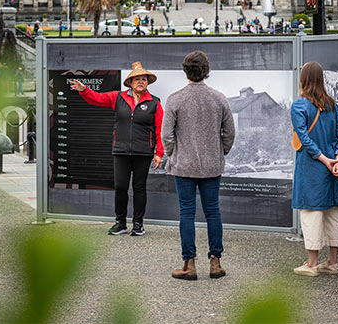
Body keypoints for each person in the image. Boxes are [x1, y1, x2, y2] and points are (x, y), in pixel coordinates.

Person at [162, 51, 235, 281]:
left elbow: (167, 135)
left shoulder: (175, 99)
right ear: (207, 70)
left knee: (187, 212)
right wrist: (220, 151)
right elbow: (229, 133)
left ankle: (189, 264)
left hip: (183, 166)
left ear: (185, 71)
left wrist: (173, 154)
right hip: (212, 166)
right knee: (213, 212)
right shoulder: (219, 98)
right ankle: (215, 262)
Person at [70, 62, 164, 236]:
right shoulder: (117, 97)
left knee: (139, 188)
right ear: (130, 82)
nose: (141, 82)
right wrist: (84, 90)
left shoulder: (155, 103)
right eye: (137, 79)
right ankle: (120, 223)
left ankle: (138, 225)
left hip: (143, 152)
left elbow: (158, 130)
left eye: (144, 79)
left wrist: (159, 153)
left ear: (148, 83)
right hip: (121, 151)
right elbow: (97, 98)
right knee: (120, 187)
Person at [291, 61, 338, 277]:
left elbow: (305, 139)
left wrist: (324, 159)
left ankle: (312, 264)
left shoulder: (299, 106)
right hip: (333, 169)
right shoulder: (332, 105)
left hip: (311, 168)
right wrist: (336, 159)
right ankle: (332, 262)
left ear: (303, 79)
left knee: (311, 213)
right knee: (333, 213)